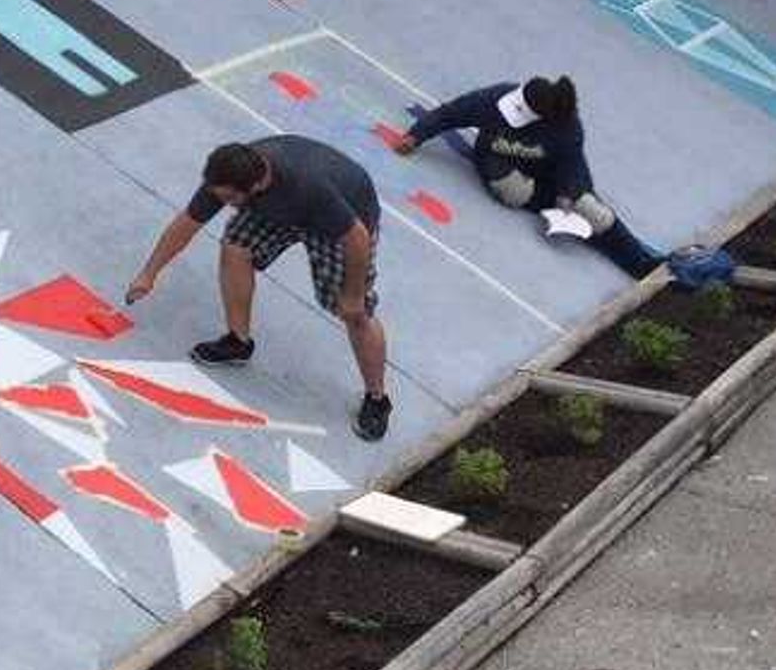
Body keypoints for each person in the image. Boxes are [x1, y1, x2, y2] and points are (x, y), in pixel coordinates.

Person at [124, 136, 394, 441]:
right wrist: (149, 273)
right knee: (236, 247)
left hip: (343, 223)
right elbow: (188, 223)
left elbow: (356, 238)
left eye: (229, 199)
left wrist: (353, 294)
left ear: (255, 187)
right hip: (284, 210)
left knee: (356, 314)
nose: (222, 203)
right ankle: (238, 342)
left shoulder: (307, 185)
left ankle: (377, 399)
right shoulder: (230, 171)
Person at [382, 75, 736, 287]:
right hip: (503, 168)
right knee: (513, 193)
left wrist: (572, 198)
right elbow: (451, 112)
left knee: (595, 214)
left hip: (552, 180)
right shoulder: (497, 99)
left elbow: (574, 169)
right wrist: (416, 135)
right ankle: (619, 245)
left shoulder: (566, 131)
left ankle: (645, 265)